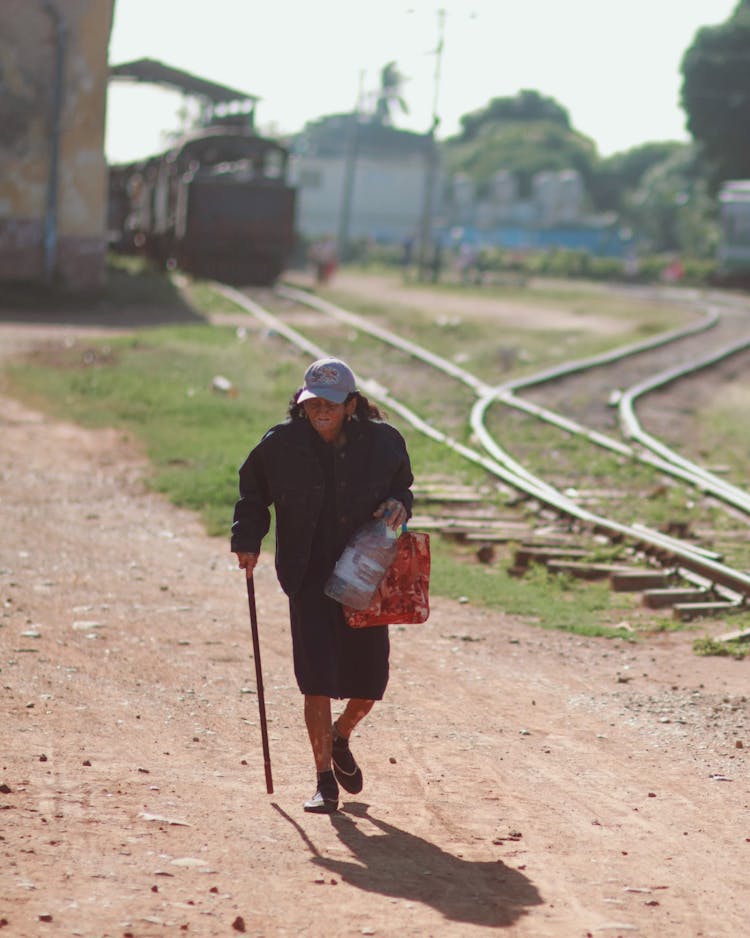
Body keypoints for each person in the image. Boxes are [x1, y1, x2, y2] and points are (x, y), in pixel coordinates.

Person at [231, 357, 413, 814]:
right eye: (313, 404)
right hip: (307, 573)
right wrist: (248, 540)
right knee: (315, 678)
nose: (321, 413)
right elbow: (252, 493)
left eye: (331, 404)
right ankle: (323, 780)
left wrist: (398, 504)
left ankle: (340, 735)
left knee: (370, 683)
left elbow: (404, 488)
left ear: (351, 404)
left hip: (363, 573)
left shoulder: (384, 444)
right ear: (303, 403)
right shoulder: (280, 445)